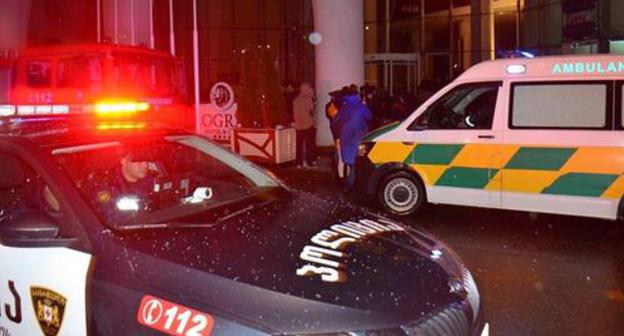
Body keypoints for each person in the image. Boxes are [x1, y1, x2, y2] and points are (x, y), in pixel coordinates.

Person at [332, 87, 372, 192]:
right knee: (357, 162)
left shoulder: (344, 107)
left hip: (346, 138)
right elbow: (370, 117)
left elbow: (335, 121)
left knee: (349, 162)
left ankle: (348, 182)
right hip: (359, 137)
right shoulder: (361, 107)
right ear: (356, 95)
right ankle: (351, 184)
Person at [293, 83, 317, 168]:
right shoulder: (308, 99)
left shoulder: (296, 100)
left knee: (299, 145)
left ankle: (298, 163)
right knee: (309, 145)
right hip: (308, 125)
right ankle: (309, 162)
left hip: (298, 126)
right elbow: (311, 112)